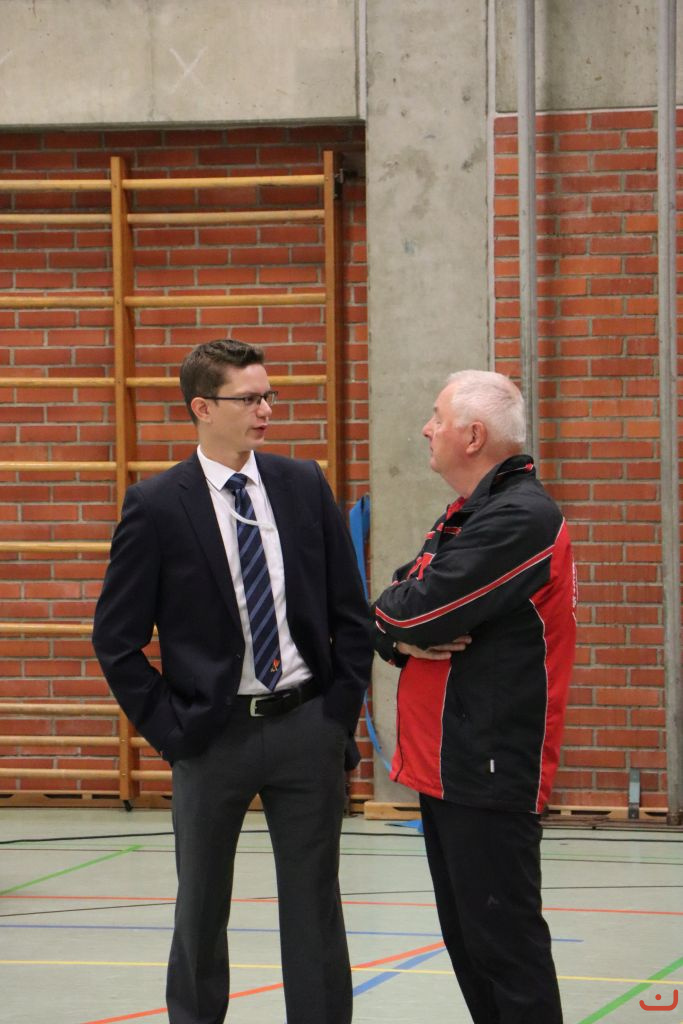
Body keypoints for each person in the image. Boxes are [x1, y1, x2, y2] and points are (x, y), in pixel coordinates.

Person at [92, 338, 373, 1024]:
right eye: (248, 399)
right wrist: (173, 731)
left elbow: (350, 613)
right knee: (200, 909)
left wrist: (336, 715)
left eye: (268, 395)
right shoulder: (157, 505)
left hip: (306, 727)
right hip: (211, 736)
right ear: (202, 408)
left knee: (314, 906)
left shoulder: (302, 484)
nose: (265, 410)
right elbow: (116, 640)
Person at [373, 370, 576, 1024]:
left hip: (488, 767)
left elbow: (415, 609)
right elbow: (397, 603)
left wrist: (398, 624)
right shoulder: (469, 513)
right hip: (447, 765)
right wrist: (397, 627)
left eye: (437, 417)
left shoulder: (521, 518)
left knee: (504, 951)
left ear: (473, 435)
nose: (426, 429)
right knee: (470, 944)